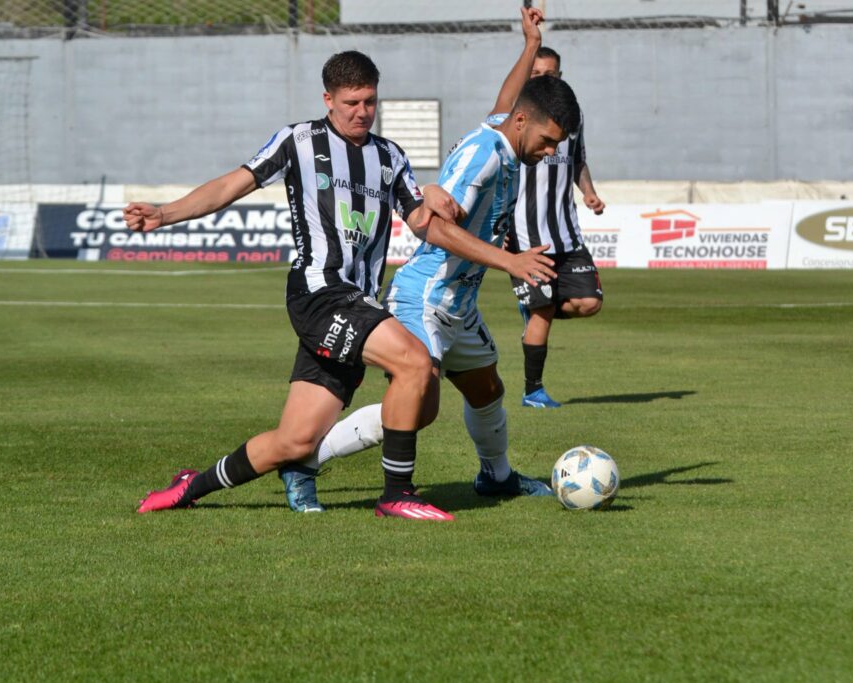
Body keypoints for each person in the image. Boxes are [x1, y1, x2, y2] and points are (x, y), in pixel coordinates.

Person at [130, 50, 555, 521]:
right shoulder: (299, 140)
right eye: (351, 102)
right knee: (415, 362)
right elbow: (234, 184)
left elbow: (423, 224)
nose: (362, 112)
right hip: (319, 292)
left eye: (370, 102)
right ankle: (397, 493)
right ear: (328, 99)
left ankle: (192, 485)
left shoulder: (389, 156)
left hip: (359, 303)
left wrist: (432, 197)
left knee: (294, 441)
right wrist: (165, 213)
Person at [278, 11, 581, 512]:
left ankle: (497, 477)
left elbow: (507, 106)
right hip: (425, 295)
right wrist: (510, 261)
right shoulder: (483, 158)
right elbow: (441, 228)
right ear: (526, 125)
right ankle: (305, 458)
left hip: (459, 301)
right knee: (418, 408)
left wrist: (529, 45)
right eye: (547, 141)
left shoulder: (506, 134)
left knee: (487, 388)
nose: (549, 152)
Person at [487, 45, 606, 408]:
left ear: (560, 76)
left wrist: (589, 193)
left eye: (550, 75)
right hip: (525, 237)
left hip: (567, 233)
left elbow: (578, 161)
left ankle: (538, 307)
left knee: (589, 303)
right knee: (540, 312)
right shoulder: (514, 116)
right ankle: (533, 391)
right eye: (535, 74)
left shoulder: (573, 115)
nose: (542, 79)